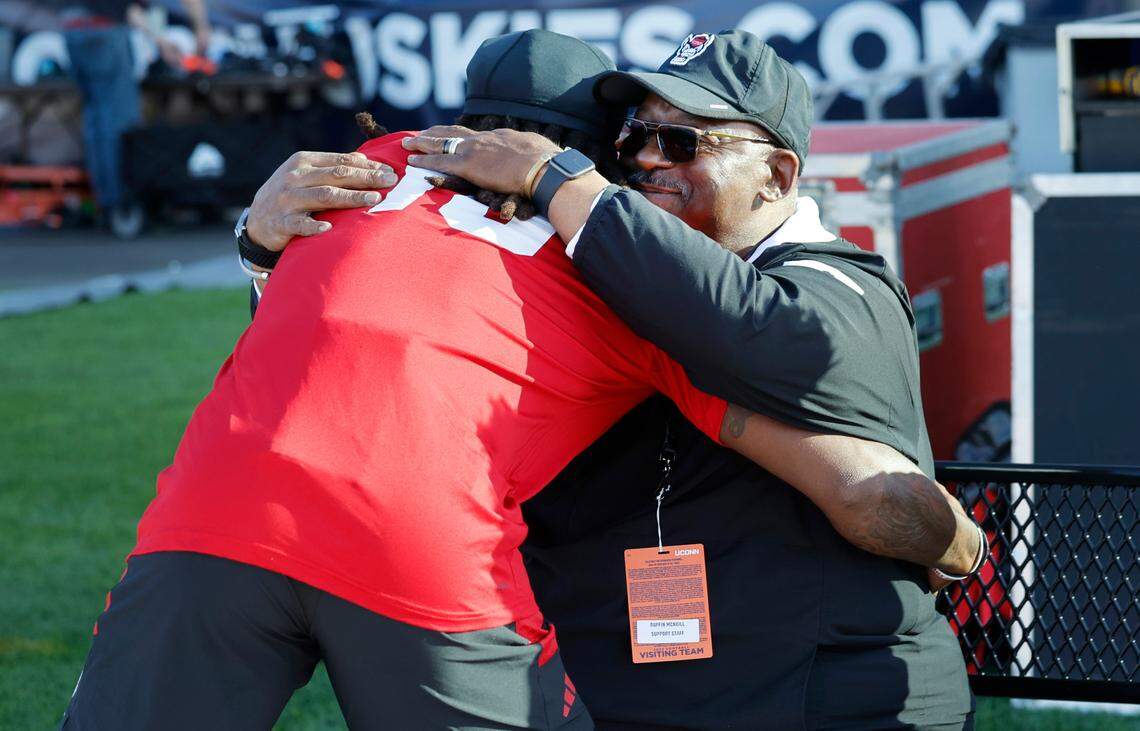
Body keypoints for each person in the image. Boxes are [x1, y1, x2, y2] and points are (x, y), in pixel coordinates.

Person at [62, 30, 970, 730]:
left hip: (210, 515)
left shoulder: (365, 175)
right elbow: (856, 488)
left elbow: (302, 341)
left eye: (677, 141)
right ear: (599, 148)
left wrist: (257, 244)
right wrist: (964, 547)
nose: (650, 160)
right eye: (639, 140)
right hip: (422, 552)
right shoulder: (608, 268)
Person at [58, 0, 209, 222]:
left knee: (95, 119)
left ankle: (105, 200)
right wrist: (165, 39)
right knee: (117, 121)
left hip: (72, 29)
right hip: (105, 29)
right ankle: (121, 203)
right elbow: (132, 10)